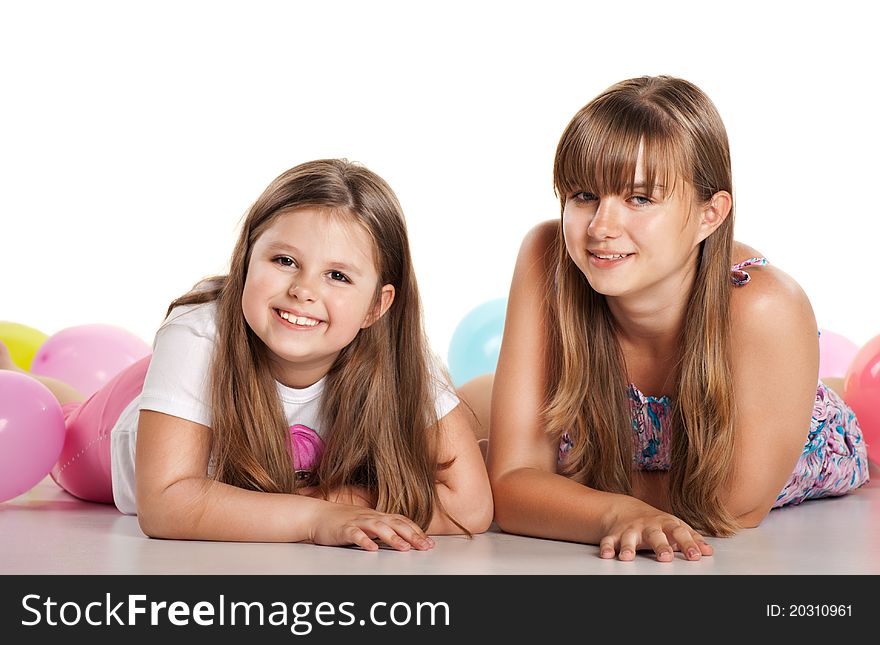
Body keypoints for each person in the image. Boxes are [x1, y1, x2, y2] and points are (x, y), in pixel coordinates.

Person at [1, 159, 493, 550]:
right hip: (119, 427)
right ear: (245, 261)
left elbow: (470, 507)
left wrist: (344, 501)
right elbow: (167, 503)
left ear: (377, 306)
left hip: (189, 393)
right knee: (60, 424)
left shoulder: (404, 358)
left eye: (338, 276)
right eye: (284, 261)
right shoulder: (198, 336)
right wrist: (317, 517)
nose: (303, 289)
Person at [482, 76, 869, 562]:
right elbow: (514, 487)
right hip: (609, 437)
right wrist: (610, 511)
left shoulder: (764, 307)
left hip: (773, 427)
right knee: (457, 426)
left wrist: (559, 487)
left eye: (640, 199)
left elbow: (731, 506)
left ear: (710, 215)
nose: (601, 227)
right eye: (583, 195)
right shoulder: (546, 254)